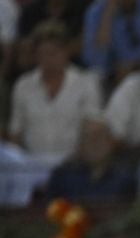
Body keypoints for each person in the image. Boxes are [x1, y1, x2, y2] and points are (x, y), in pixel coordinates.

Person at [9, 23, 102, 163]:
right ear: (36, 55)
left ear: (66, 52)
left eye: (54, 53)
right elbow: (16, 131)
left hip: (73, 165)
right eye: (43, 54)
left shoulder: (86, 83)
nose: (49, 59)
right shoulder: (23, 85)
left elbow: (92, 129)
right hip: (31, 164)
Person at [46, 114, 139, 200]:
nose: (94, 142)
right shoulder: (62, 177)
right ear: (80, 146)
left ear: (111, 142)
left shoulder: (126, 178)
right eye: (88, 137)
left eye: (99, 136)